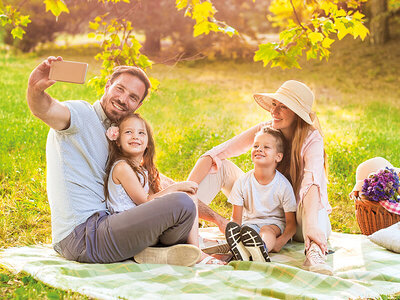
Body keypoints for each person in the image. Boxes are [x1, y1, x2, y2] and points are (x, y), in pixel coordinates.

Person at [27, 56, 201, 266]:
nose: (123, 99)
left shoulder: (121, 138)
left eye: (132, 97)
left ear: (138, 104)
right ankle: (165, 249)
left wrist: (217, 219)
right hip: (84, 235)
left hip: (111, 226)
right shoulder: (81, 116)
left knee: (184, 211)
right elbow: (44, 109)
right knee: (180, 204)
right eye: (119, 89)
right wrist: (35, 89)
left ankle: (154, 253)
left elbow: (158, 181)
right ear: (108, 85)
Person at [188, 80, 333, 275]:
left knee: (317, 208)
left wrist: (313, 227)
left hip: (299, 218)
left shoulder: (311, 138)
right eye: (274, 104)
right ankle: (182, 221)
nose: (275, 111)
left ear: (297, 114)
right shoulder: (267, 129)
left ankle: (315, 254)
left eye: (283, 107)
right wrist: (187, 190)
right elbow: (215, 154)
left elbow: (312, 183)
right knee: (222, 167)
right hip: (264, 207)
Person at [103, 112, 224, 264]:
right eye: (128, 132)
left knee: (186, 204)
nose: (135, 136)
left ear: (148, 143)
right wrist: (176, 187)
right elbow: (145, 201)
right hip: (128, 230)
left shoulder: (142, 170)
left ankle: (167, 251)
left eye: (141, 133)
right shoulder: (122, 167)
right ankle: (197, 253)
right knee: (186, 197)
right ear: (118, 141)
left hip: (143, 228)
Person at [225, 126, 297, 263]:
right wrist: (235, 233)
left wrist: (280, 242)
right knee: (246, 231)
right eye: (256, 146)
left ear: (278, 156)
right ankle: (243, 249)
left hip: (274, 225)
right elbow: (236, 219)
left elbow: (292, 224)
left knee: (267, 230)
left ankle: (261, 249)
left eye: (266, 147)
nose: (259, 149)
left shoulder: (283, 185)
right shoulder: (242, 183)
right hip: (249, 226)